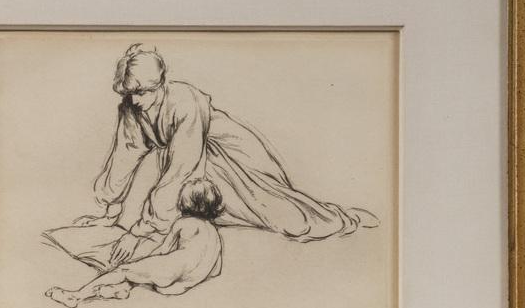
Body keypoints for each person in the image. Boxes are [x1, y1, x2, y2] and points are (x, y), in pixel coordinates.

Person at [71, 43, 378, 265]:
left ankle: (344, 219)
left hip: (233, 157)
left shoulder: (186, 101)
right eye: (130, 94)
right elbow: (126, 154)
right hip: (196, 163)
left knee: (283, 216)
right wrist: (109, 208)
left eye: (142, 93)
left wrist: (143, 228)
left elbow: (183, 168)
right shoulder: (131, 108)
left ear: (160, 85)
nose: (136, 101)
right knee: (212, 207)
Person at [46, 178, 224, 308]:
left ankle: (76, 296)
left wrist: (142, 261)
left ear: (185, 202)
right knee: (144, 272)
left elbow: (163, 250)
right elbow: (216, 269)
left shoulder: (183, 223)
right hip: (187, 283)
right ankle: (120, 289)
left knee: (126, 270)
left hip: (170, 272)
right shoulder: (213, 232)